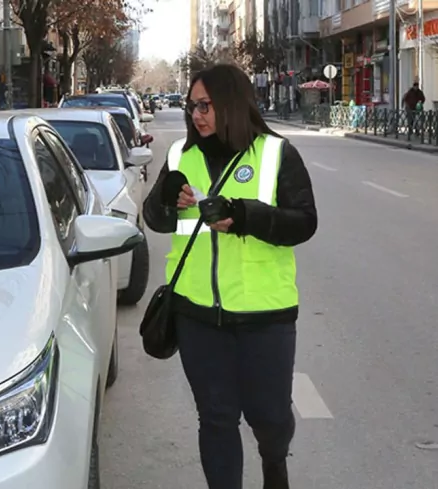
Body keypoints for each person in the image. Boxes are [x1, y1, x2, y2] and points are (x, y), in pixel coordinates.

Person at [143, 64, 318, 489]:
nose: (197, 115)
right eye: (192, 106)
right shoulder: (180, 156)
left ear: (231, 104)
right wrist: (167, 200)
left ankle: (274, 461)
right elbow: (154, 218)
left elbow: (304, 222)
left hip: (266, 315)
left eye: (205, 105)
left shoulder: (276, 154)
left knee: (270, 417)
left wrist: (244, 216)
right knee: (217, 417)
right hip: (197, 314)